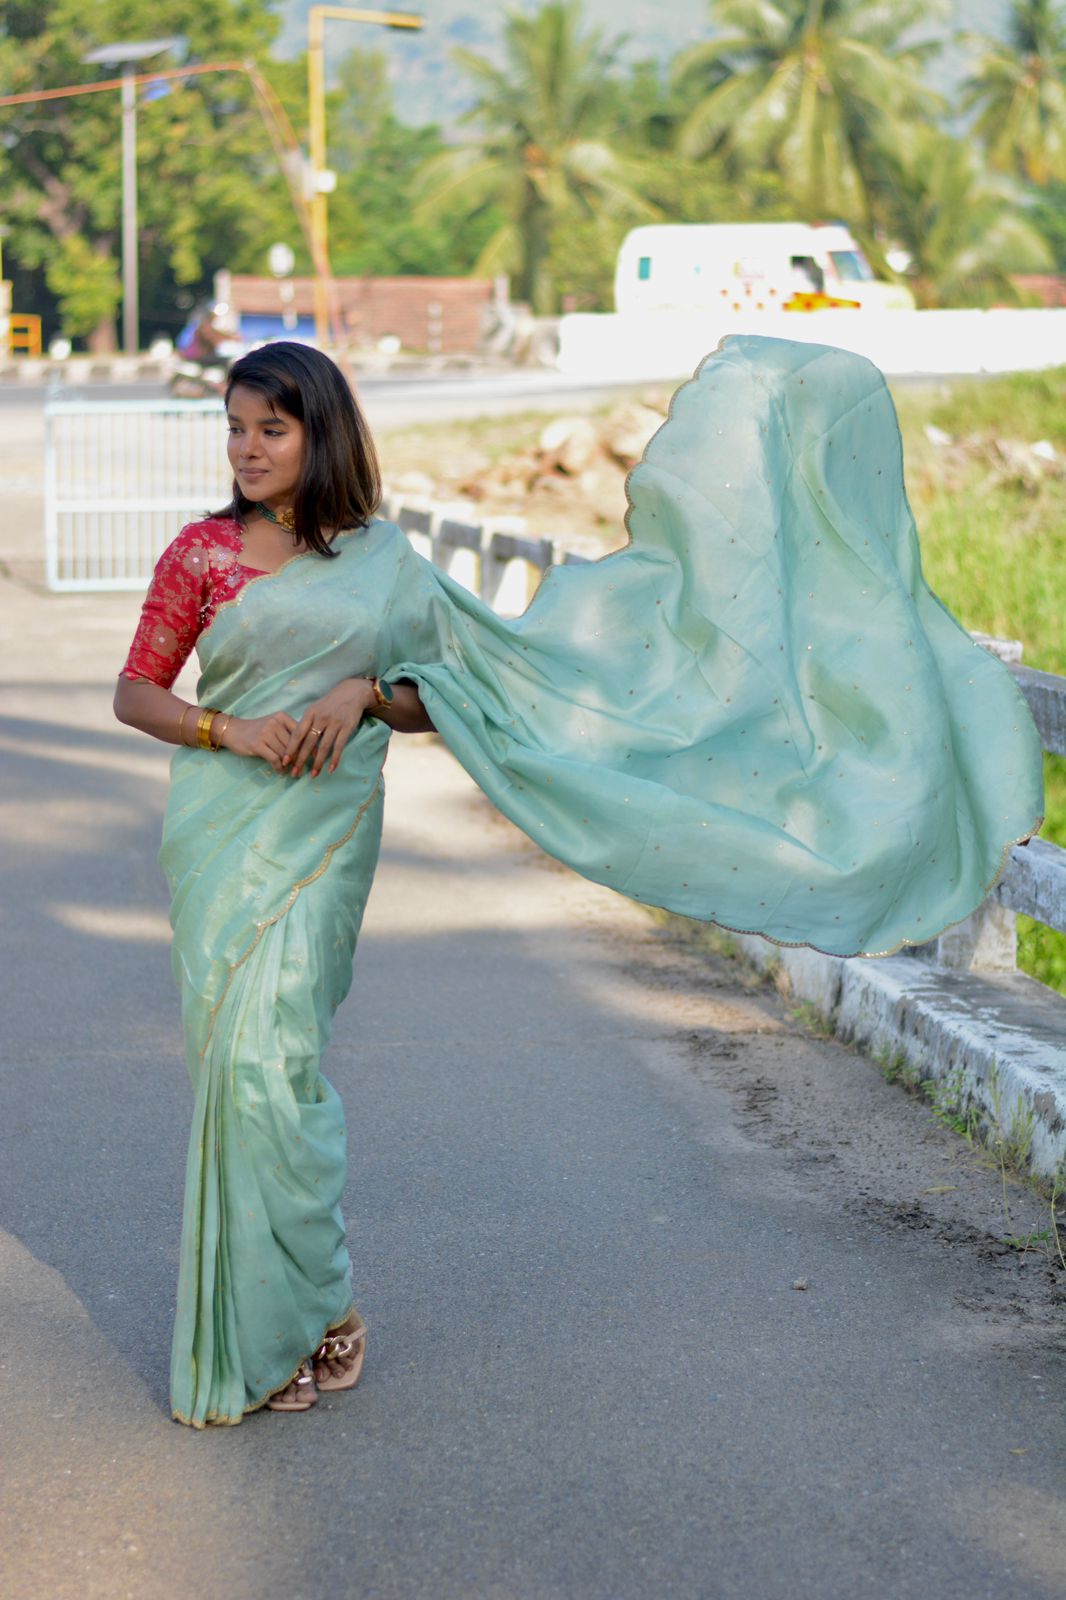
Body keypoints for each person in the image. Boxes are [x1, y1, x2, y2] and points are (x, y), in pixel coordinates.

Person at [115, 337, 1043, 1428]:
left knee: (280, 1063)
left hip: (320, 839)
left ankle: (301, 1317)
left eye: (272, 428)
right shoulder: (201, 554)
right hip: (225, 832)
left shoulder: (383, 562)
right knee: (237, 1070)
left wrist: (364, 690)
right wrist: (234, 726)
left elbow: (446, 692)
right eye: (235, 428)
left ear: (323, 434)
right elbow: (138, 692)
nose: (249, 448)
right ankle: (303, 1311)